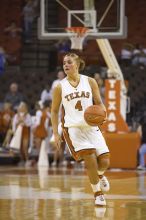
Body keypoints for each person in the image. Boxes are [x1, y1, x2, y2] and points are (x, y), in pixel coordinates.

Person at [51, 53, 110, 206]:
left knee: (104, 161)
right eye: (64, 63)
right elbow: (54, 111)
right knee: (90, 159)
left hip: (91, 127)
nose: (65, 65)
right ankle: (98, 193)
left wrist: (103, 114)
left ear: (76, 65)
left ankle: (99, 175)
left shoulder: (90, 82)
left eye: (69, 62)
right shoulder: (60, 87)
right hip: (74, 129)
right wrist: (55, 134)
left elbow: (99, 103)